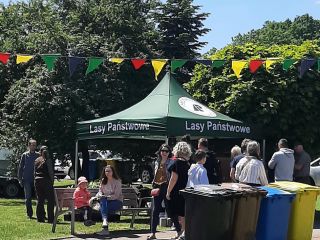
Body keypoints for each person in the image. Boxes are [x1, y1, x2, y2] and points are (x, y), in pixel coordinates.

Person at [148, 144, 180, 240]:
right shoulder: (157, 161)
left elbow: (172, 176)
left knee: (170, 210)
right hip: (157, 187)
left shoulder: (172, 162)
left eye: (166, 151)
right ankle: (153, 233)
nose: (164, 153)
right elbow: (155, 174)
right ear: (160, 151)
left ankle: (179, 231)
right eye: (163, 151)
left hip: (166, 187)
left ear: (169, 152)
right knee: (155, 210)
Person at [167, 141, 191, 240]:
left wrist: (168, 191)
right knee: (183, 213)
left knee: (177, 213)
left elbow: (173, 178)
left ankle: (183, 233)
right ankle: (184, 233)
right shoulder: (187, 163)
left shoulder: (176, 162)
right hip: (185, 189)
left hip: (177, 190)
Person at [96, 165, 123, 235]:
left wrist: (106, 197)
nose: (107, 172)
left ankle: (105, 227)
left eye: (109, 171)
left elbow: (116, 196)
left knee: (103, 206)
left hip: (117, 202)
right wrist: (100, 195)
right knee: (103, 202)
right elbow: (100, 191)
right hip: (105, 203)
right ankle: (105, 223)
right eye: (106, 171)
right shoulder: (103, 181)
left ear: (113, 172)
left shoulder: (117, 181)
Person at [18, 139, 40, 219]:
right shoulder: (24, 155)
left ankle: (40, 214)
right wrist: (20, 179)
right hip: (26, 179)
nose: (34, 147)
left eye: (35, 145)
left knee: (39, 197)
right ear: (29, 146)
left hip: (36, 179)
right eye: (33, 145)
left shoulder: (38, 155)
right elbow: (20, 167)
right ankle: (29, 214)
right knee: (28, 197)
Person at [34, 146, 55, 223]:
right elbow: (50, 172)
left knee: (40, 200)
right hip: (46, 180)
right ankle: (51, 218)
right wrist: (52, 181)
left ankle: (40, 218)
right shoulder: (48, 160)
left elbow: (34, 172)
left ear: (40, 152)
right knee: (50, 200)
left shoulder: (36, 160)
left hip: (37, 181)